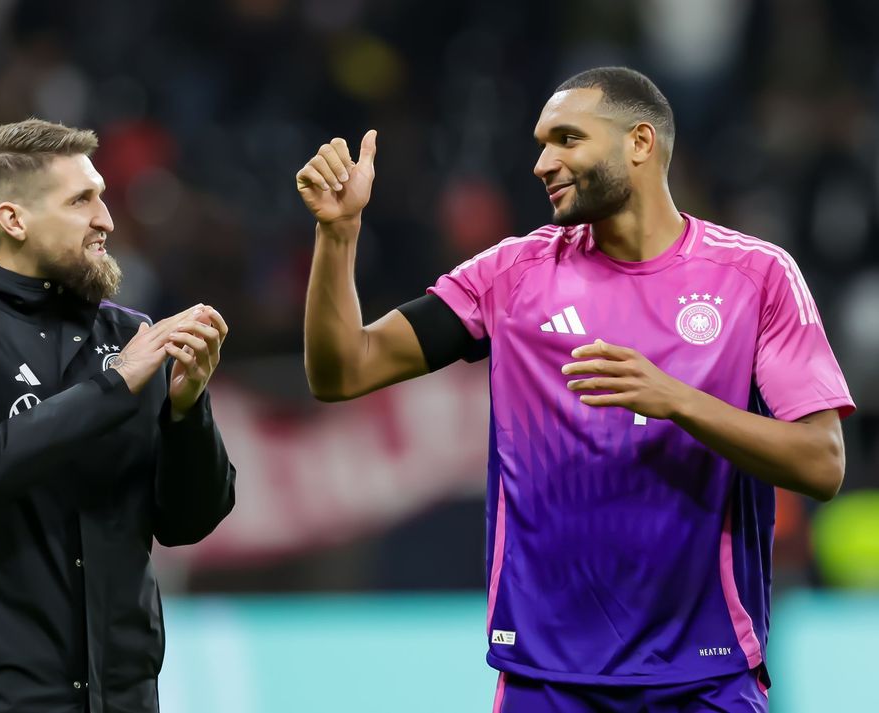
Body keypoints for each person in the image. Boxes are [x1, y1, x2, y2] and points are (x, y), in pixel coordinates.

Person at [296, 67, 854, 712]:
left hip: (705, 676)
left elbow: (822, 462)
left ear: (639, 143)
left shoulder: (754, 276)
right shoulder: (510, 277)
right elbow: (343, 371)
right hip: (547, 678)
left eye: (567, 139)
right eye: (541, 143)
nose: (542, 162)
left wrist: (676, 400)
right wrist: (337, 236)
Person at [0, 118, 237, 713]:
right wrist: (115, 385)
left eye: (101, 196)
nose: (107, 219)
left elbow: (188, 522)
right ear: (14, 220)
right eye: (82, 200)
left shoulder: (129, 336)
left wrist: (186, 412)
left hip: (120, 697)